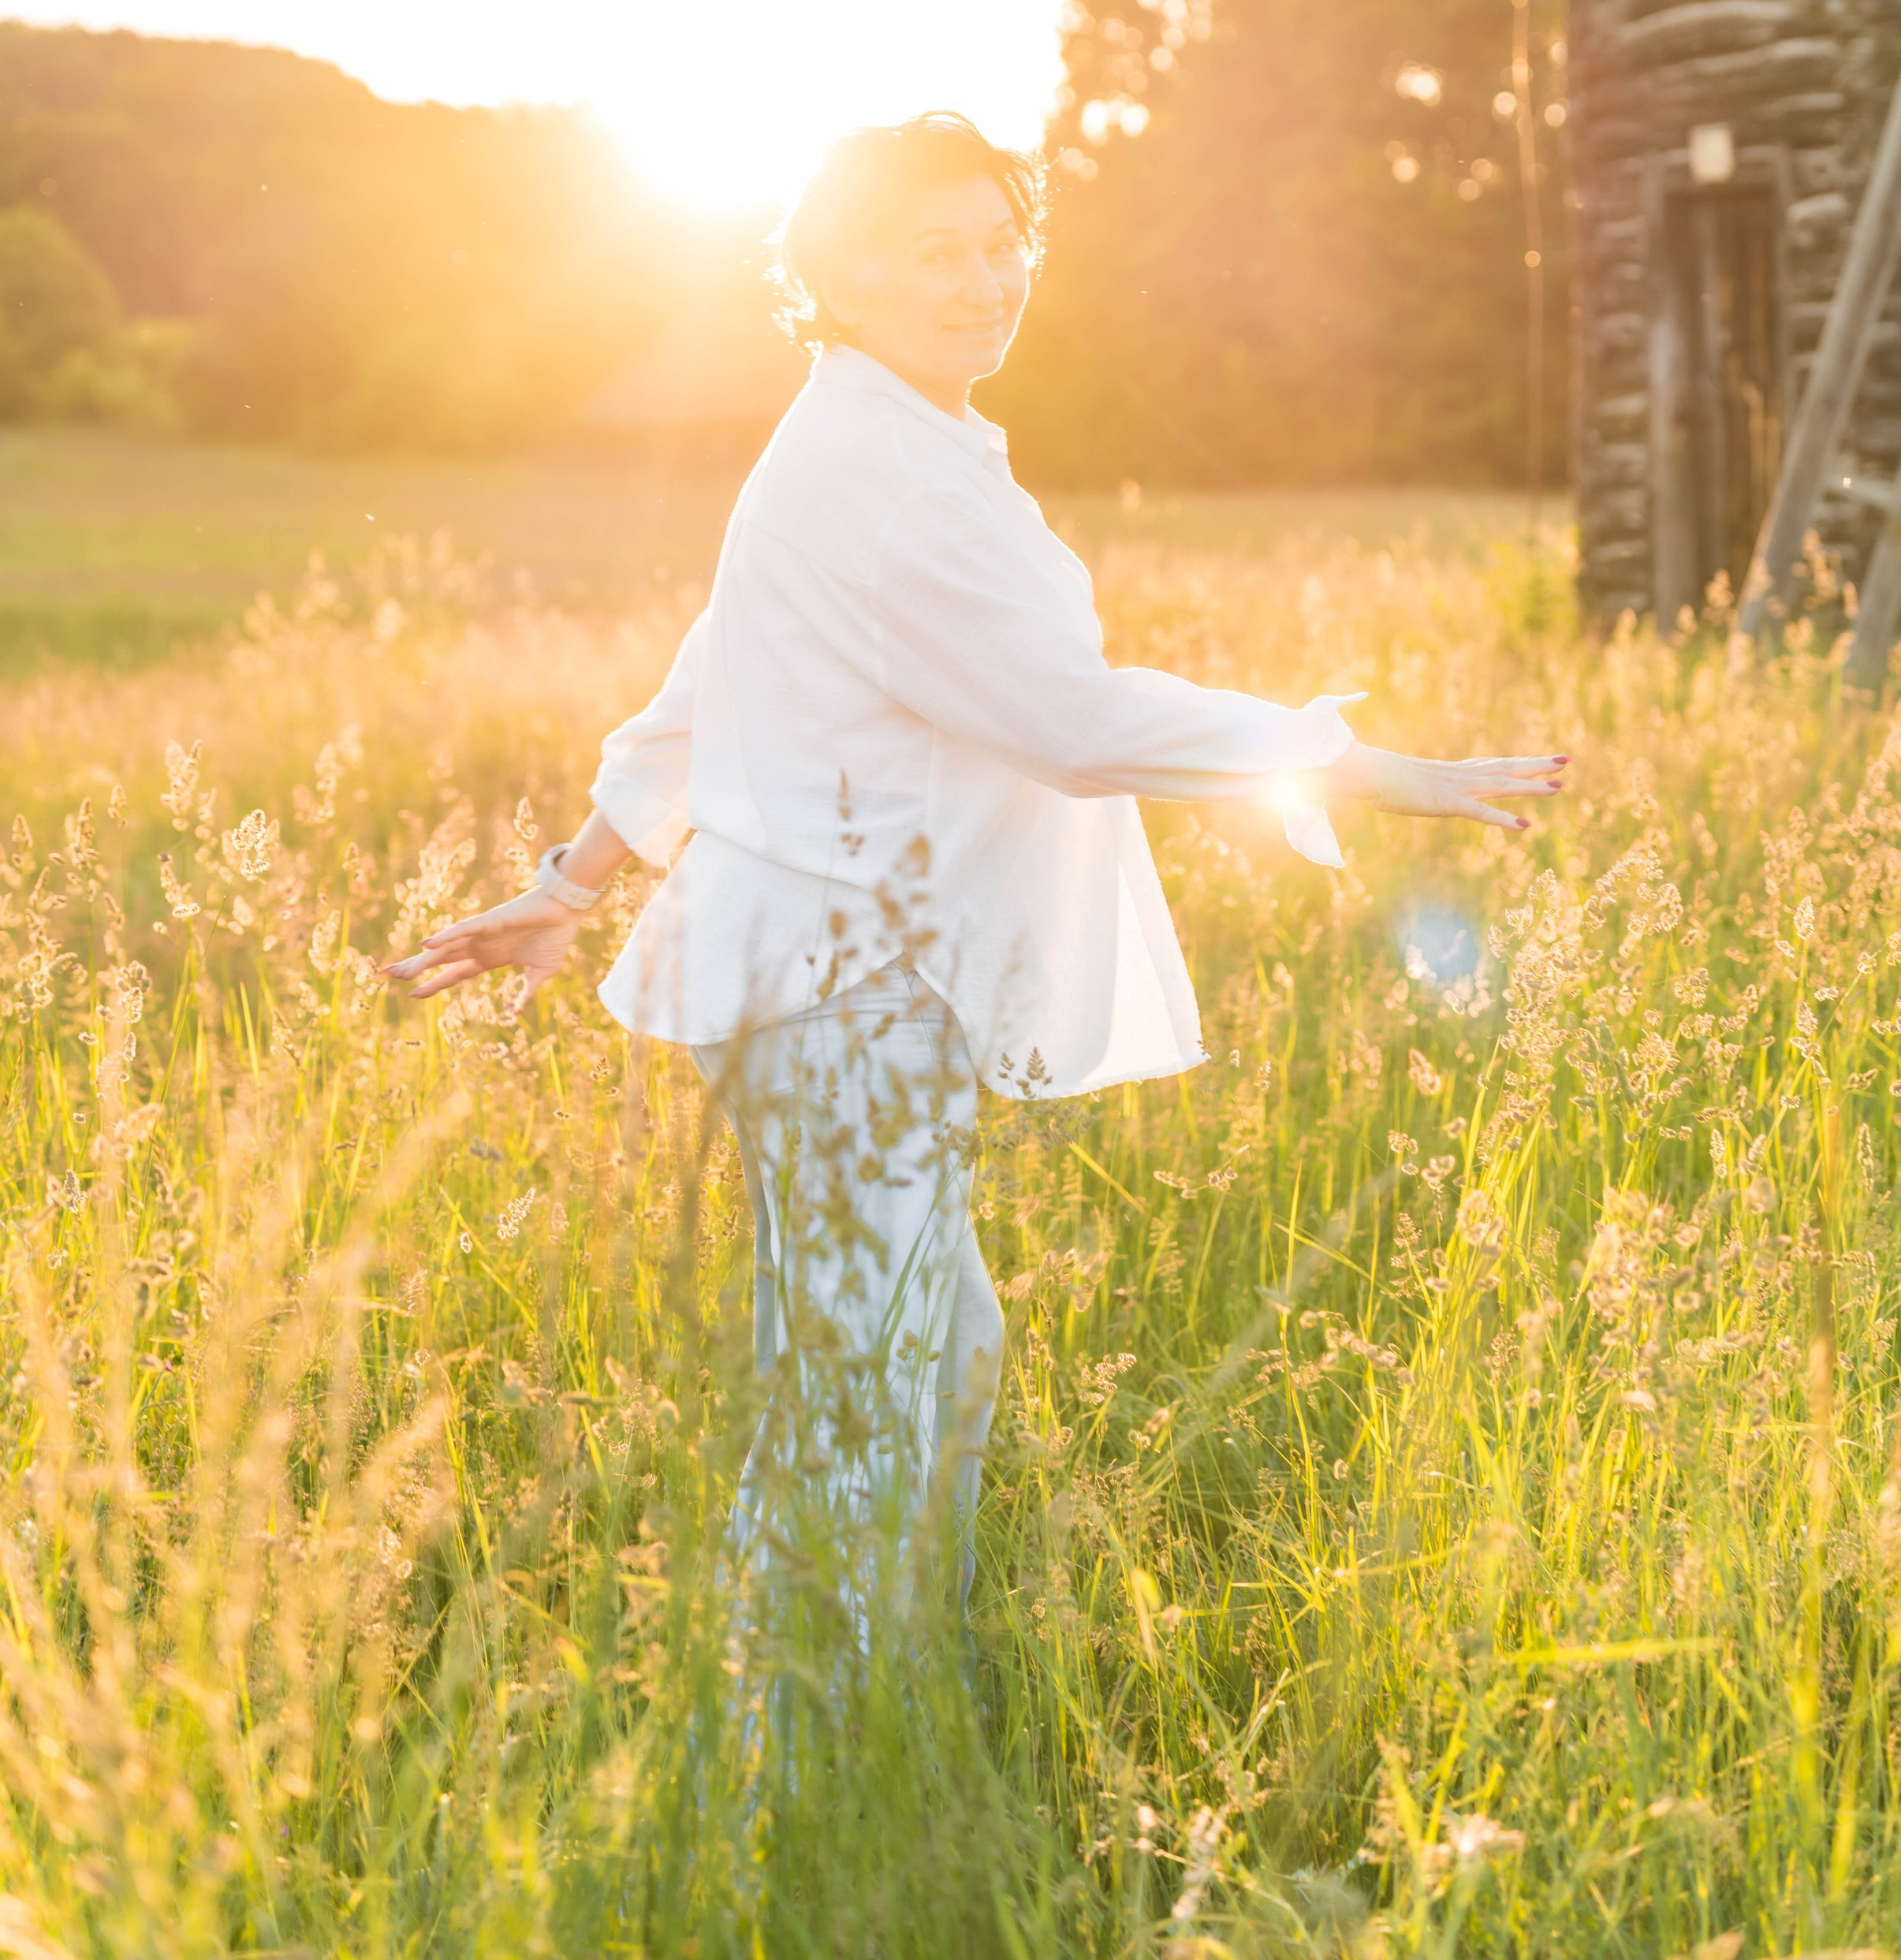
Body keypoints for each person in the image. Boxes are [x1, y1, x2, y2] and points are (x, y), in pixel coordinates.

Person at [383, 113, 1564, 1639]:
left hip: (831, 993)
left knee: (920, 1364)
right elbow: (1068, 720)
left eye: (1001, 243)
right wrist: (1356, 762)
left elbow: (712, 669)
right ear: (842, 273)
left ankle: (850, 1754)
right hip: (845, 997)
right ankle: (793, 1794)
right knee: (863, 1408)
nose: (982, 279)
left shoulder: (864, 436)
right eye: (936, 252)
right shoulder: (885, 467)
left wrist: (574, 876)